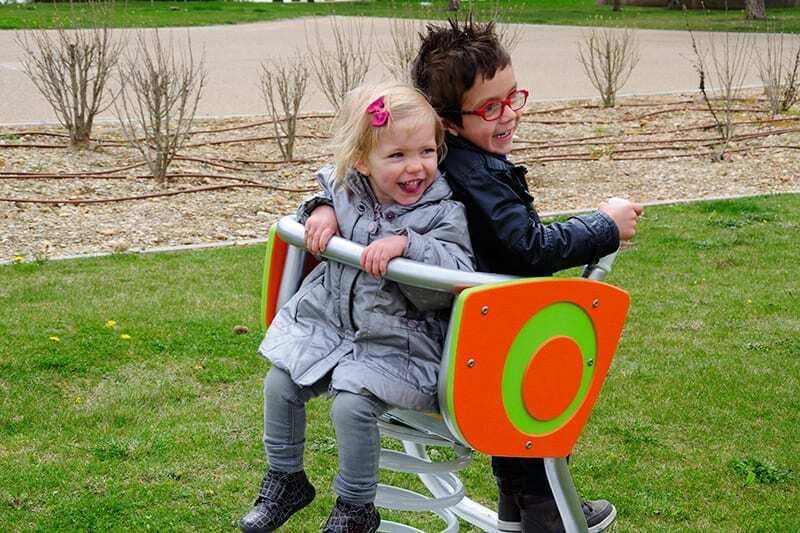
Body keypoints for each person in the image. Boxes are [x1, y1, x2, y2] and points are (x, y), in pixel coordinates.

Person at [411, 18, 643, 533]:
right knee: (538, 385)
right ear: (449, 122)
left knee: (521, 379)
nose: (510, 114)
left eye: (513, 97)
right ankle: (545, 511)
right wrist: (604, 225)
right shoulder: (476, 174)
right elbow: (530, 249)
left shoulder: (446, 162)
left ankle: (520, 505)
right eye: (490, 108)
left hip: (468, 329)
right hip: (483, 336)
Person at [238, 81, 475, 533]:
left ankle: (356, 506)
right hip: (332, 329)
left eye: (426, 151)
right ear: (362, 161)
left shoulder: (443, 212)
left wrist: (408, 245)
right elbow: (322, 191)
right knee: (279, 384)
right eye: (397, 155)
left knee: (351, 407)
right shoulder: (345, 190)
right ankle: (286, 479)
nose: (416, 167)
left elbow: (459, 271)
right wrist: (321, 211)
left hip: (400, 344)